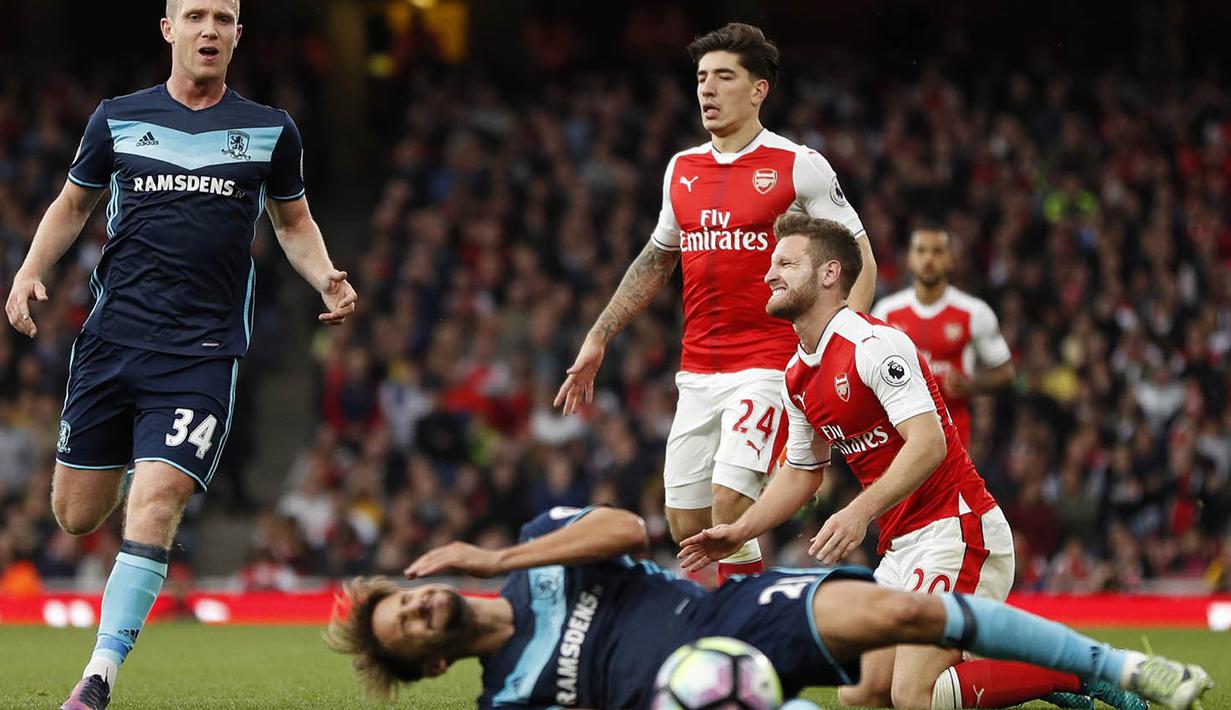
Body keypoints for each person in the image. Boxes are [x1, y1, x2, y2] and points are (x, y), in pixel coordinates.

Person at [4, 2, 357, 708]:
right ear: (168, 30)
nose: (209, 30)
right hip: (111, 345)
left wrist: (325, 274)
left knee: (157, 503)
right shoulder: (117, 118)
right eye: (194, 16)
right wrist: (29, 270)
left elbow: (293, 221)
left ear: (236, 35)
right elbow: (73, 205)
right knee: (76, 515)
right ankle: (130, 478)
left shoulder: (269, 130)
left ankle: (97, 677)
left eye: (223, 18)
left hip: (199, 354)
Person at [677, 215, 1136, 710]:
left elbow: (928, 443)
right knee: (862, 693)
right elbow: (803, 470)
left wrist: (857, 512)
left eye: (786, 263)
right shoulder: (796, 375)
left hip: (958, 528)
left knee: (914, 694)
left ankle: (1072, 669)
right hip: (901, 547)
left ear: (830, 274)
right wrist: (741, 529)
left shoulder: (874, 345)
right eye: (771, 264)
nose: (769, 274)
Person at [325, 505, 1212, 710]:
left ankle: (1116, 668)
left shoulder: (534, 561)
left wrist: (501, 555)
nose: (418, 609)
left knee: (906, 619)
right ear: (431, 663)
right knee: (885, 699)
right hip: (700, 700)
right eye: (406, 630)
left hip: (739, 620)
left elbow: (624, 525)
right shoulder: (506, 700)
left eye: (404, 601)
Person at [554, 23, 877, 587]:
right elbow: (656, 260)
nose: (708, 89)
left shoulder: (797, 165)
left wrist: (845, 346)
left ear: (758, 90)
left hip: (769, 365)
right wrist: (599, 335)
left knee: (730, 502)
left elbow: (861, 256)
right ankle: (751, 605)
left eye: (724, 76)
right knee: (687, 524)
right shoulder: (682, 169)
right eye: (702, 77)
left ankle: (753, 629)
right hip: (698, 369)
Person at [871, 227, 1014, 447]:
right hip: (898, 432)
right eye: (921, 251)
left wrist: (972, 386)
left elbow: (1006, 374)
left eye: (937, 252)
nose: (928, 259)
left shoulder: (974, 312)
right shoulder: (885, 312)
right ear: (909, 259)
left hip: (953, 432)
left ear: (951, 260)